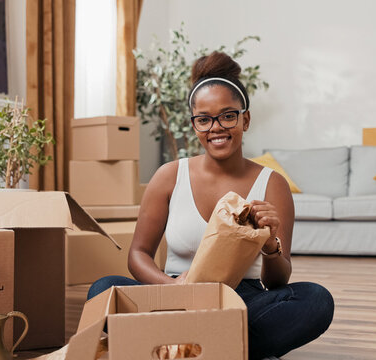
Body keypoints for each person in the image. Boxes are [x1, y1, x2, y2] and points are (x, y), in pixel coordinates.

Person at [87, 51, 334, 359]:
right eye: (204, 119)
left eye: (228, 115)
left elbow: (277, 281)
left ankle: (183, 345)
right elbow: (138, 254)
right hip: (174, 292)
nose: (216, 127)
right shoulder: (169, 177)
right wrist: (172, 287)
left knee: (317, 300)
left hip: (242, 301)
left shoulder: (273, 184)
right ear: (194, 125)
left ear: (245, 119)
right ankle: (226, 346)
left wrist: (271, 244)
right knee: (104, 289)